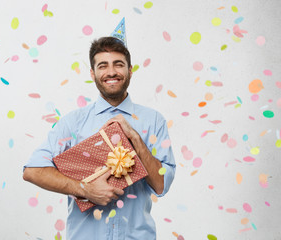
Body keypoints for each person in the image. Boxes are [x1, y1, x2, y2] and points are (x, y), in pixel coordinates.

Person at [23, 36, 176, 240]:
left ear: (130, 70)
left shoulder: (153, 120)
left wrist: (136, 141)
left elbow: (161, 185)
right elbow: (32, 171)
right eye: (103, 65)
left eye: (118, 64)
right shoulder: (73, 123)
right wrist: (85, 189)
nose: (111, 72)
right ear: (93, 73)